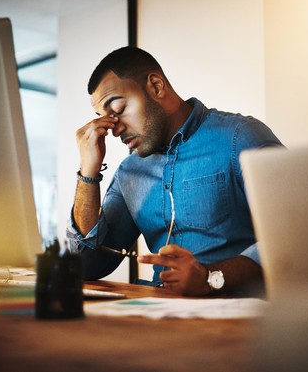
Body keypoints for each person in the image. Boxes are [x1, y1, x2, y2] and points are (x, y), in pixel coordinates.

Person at [66, 46, 283, 296]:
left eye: (118, 110)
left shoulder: (240, 137)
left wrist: (209, 277)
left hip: (236, 318)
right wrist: (88, 172)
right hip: (160, 315)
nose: (114, 129)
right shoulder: (130, 172)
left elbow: (296, 235)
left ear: (156, 87)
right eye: (104, 118)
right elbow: (87, 266)